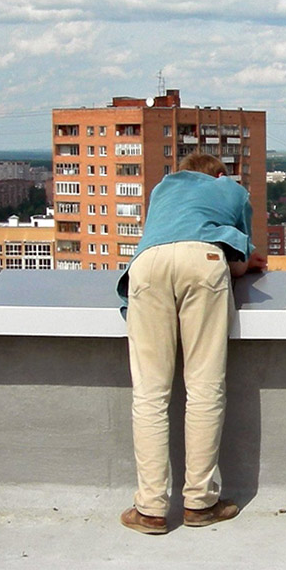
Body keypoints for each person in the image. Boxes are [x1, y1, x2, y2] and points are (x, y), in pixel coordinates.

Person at [116, 152, 265, 534]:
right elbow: (240, 254)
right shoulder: (226, 187)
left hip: (146, 265)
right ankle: (199, 502)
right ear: (218, 173)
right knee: (204, 387)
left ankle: (150, 508)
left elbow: (167, 238)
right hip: (203, 260)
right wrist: (247, 265)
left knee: (149, 393)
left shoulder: (162, 190)